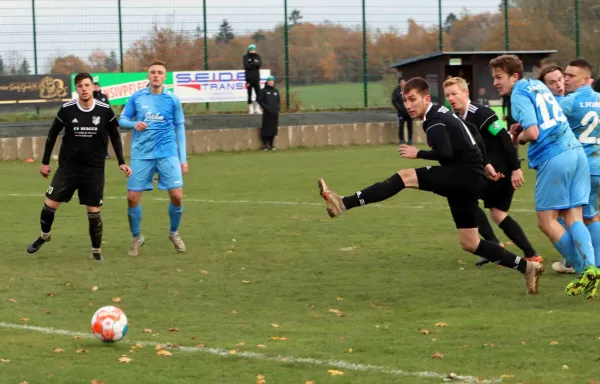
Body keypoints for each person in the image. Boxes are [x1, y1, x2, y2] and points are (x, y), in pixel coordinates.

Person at [317, 77, 543, 295]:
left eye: (412, 99)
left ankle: (343, 203)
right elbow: (473, 133)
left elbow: (445, 152)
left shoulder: (433, 120)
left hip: (461, 175)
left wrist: (419, 153)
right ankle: (527, 267)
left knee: (403, 177)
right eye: (405, 100)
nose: (408, 105)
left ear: (426, 99)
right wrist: (484, 165)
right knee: (470, 242)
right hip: (469, 178)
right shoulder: (442, 113)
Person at [490, 54, 599, 299]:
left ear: (514, 76)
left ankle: (583, 270)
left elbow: (535, 132)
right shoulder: (537, 85)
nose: (496, 83)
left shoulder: (518, 93)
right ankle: (592, 267)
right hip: (577, 152)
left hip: (555, 156)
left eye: (499, 77)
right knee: (574, 216)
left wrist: (518, 137)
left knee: (546, 221)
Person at [26, 72, 131, 261]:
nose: (84, 89)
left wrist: (121, 161)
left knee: (93, 211)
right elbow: (52, 135)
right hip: (68, 168)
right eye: (80, 86)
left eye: (87, 85)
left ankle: (97, 252)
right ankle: (44, 236)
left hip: (94, 169)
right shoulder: (67, 110)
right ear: (77, 89)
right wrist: (44, 162)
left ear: (93, 87)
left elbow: (115, 136)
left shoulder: (104, 110)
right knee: (50, 204)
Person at [443, 77, 541, 267]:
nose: (451, 98)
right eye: (448, 95)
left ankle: (494, 245)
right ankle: (531, 254)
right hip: (488, 170)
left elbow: (504, 137)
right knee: (497, 213)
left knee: (465, 198)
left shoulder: (480, 113)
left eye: (455, 93)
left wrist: (515, 168)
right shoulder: (456, 119)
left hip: (500, 169)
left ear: (465, 93)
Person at [118, 60, 188, 256]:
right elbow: (122, 120)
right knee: (132, 198)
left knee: (177, 196)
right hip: (141, 154)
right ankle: (136, 237)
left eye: (160, 72)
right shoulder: (137, 97)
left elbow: (180, 127)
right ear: (147, 76)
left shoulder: (173, 99)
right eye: (152, 72)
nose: (156, 75)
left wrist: (183, 159)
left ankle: (174, 233)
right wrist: (134, 124)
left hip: (168, 153)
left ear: (165, 77)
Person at [553, 59, 600, 275]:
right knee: (588, 215)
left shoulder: (569, 102)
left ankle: (582, 262)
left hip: (582, 168)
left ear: (584, 79)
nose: (566, 79)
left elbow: (550, 128)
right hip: (598, 164)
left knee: (576, 216)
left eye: (570, 76)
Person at [257, 76, 281, 151]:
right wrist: (266, 108)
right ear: (267, 82)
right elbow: (260, 100)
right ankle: (265, 145)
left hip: (275, 113)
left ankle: (271, 145)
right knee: (266, 129)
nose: (271, 82)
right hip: (267, 113)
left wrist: (277, 108)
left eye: (272, 81)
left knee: (273, 129)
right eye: (269, 81)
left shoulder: (276, 91)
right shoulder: (263, 91)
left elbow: (278, 101)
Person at [392, 77, 413, 144]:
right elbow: (394, 101)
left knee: (410, 126)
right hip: (401, 113)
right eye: (401, 82)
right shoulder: (396, 91)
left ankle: (410, 140)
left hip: (409, 112)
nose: (402, 83)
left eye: (403, 82)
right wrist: (400, 108)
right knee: (401, 126)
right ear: (399, 83)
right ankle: (401, 140)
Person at [243, 44, 263, 115]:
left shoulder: (258, 56)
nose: (253, 50)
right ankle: (251, 109)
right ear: (249, 50)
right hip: (249, 78)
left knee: (259, 94)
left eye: (254, 49)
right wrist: (254, 63)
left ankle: (257, 108)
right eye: (251, 49)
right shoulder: (245, 57)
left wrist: (251, 63)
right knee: (249, 94)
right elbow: (246, 65)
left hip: (256, 78)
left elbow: (259, 64)